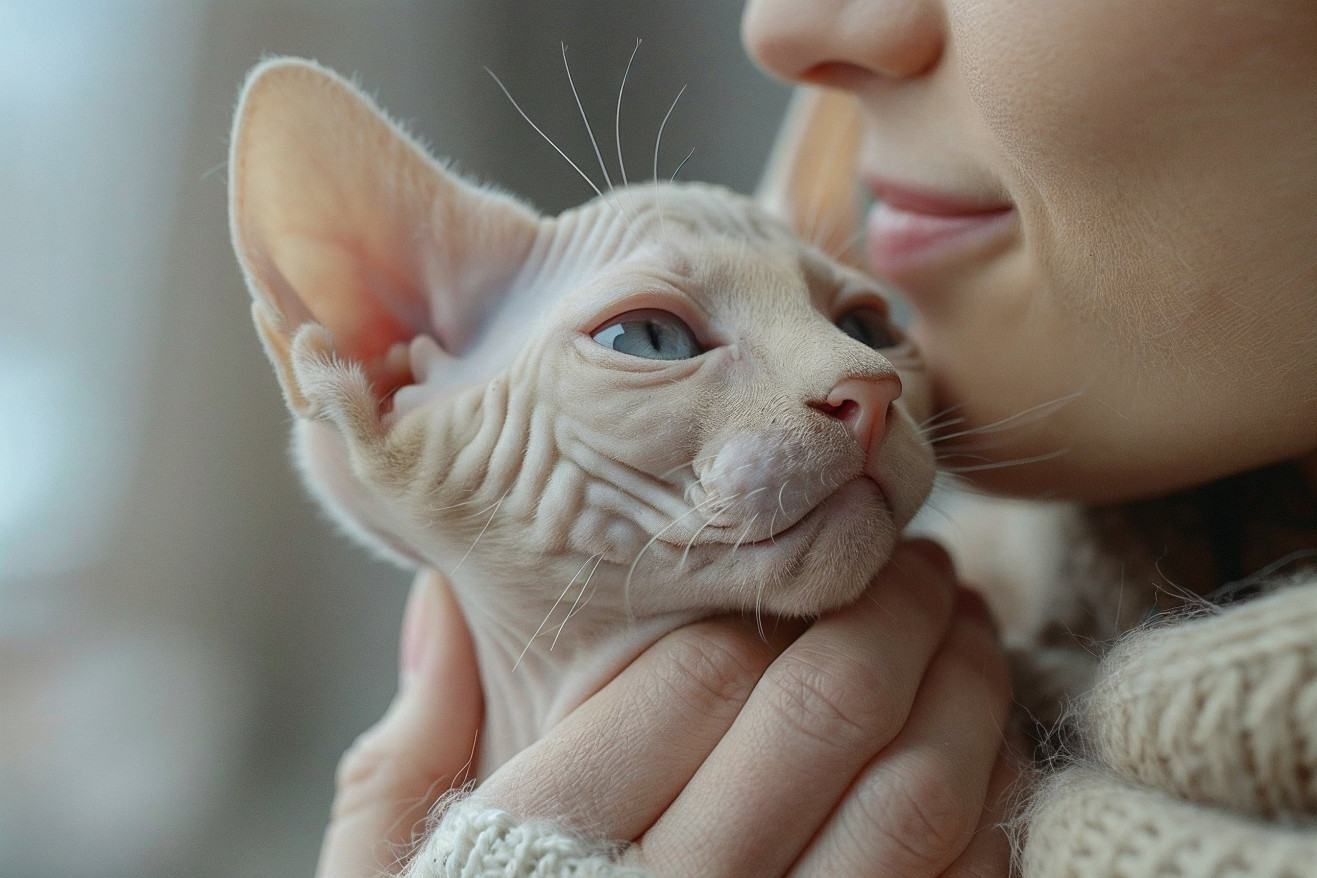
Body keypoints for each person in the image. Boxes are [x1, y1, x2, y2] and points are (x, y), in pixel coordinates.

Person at [315, 0, 1317, 875]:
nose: (783, 21)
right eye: (651, 337)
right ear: (392, 364)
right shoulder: (1032, 620)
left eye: (862, 325)